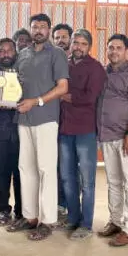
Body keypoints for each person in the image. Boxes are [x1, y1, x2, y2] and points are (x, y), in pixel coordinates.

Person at [7, 13, 69, 241]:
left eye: (43, 26)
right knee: (26, 168)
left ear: (49, 30)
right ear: (30, 29)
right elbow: (15, 84)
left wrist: (36, 101)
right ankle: (30, 217)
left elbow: (62, 87)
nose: (38, 30)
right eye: (35, 26)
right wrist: (4, 95)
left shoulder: (57, 54)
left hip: (46, 119)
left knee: (46, 169)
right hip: (23, 119)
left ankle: (48, 220)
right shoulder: (23, 54)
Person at [97, 34, 128, 247]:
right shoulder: (102, 72)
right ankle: (116, 221)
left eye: (118, 48)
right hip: (106, 136)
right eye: (111, 47)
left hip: (126, 138)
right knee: (113, 182)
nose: (114, 51)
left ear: (126, 51)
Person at [59, 29, 106, 240]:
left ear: (89, 47)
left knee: (87, 181)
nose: (78, 47)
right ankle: (72, 218)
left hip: (85, 130)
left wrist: (65, 96)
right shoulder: (64, 64)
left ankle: (86, 224)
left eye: (83, 44)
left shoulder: (96, 68)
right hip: (64, 129)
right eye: (75, 43)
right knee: (67, 177)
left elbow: (90, 97)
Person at [0, 38, 23, 226]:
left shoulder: (23, 74)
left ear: (16, 52)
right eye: (1, 51)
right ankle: (2, 209)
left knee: (20, 172)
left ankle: (21, 211)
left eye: (9, 50)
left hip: (21, 130)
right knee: (0, 171)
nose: (5, 54)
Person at [51, 22, 73, 217]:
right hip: (50, 120)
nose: (60, 40)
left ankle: (68, 205)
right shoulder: (49, 61)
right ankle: (55, 204)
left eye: (64, 37)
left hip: (72, 122)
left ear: (71, 40)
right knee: (52, 165)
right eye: (57, 37)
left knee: (69, 166)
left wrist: (59, 94)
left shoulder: (76, 63)